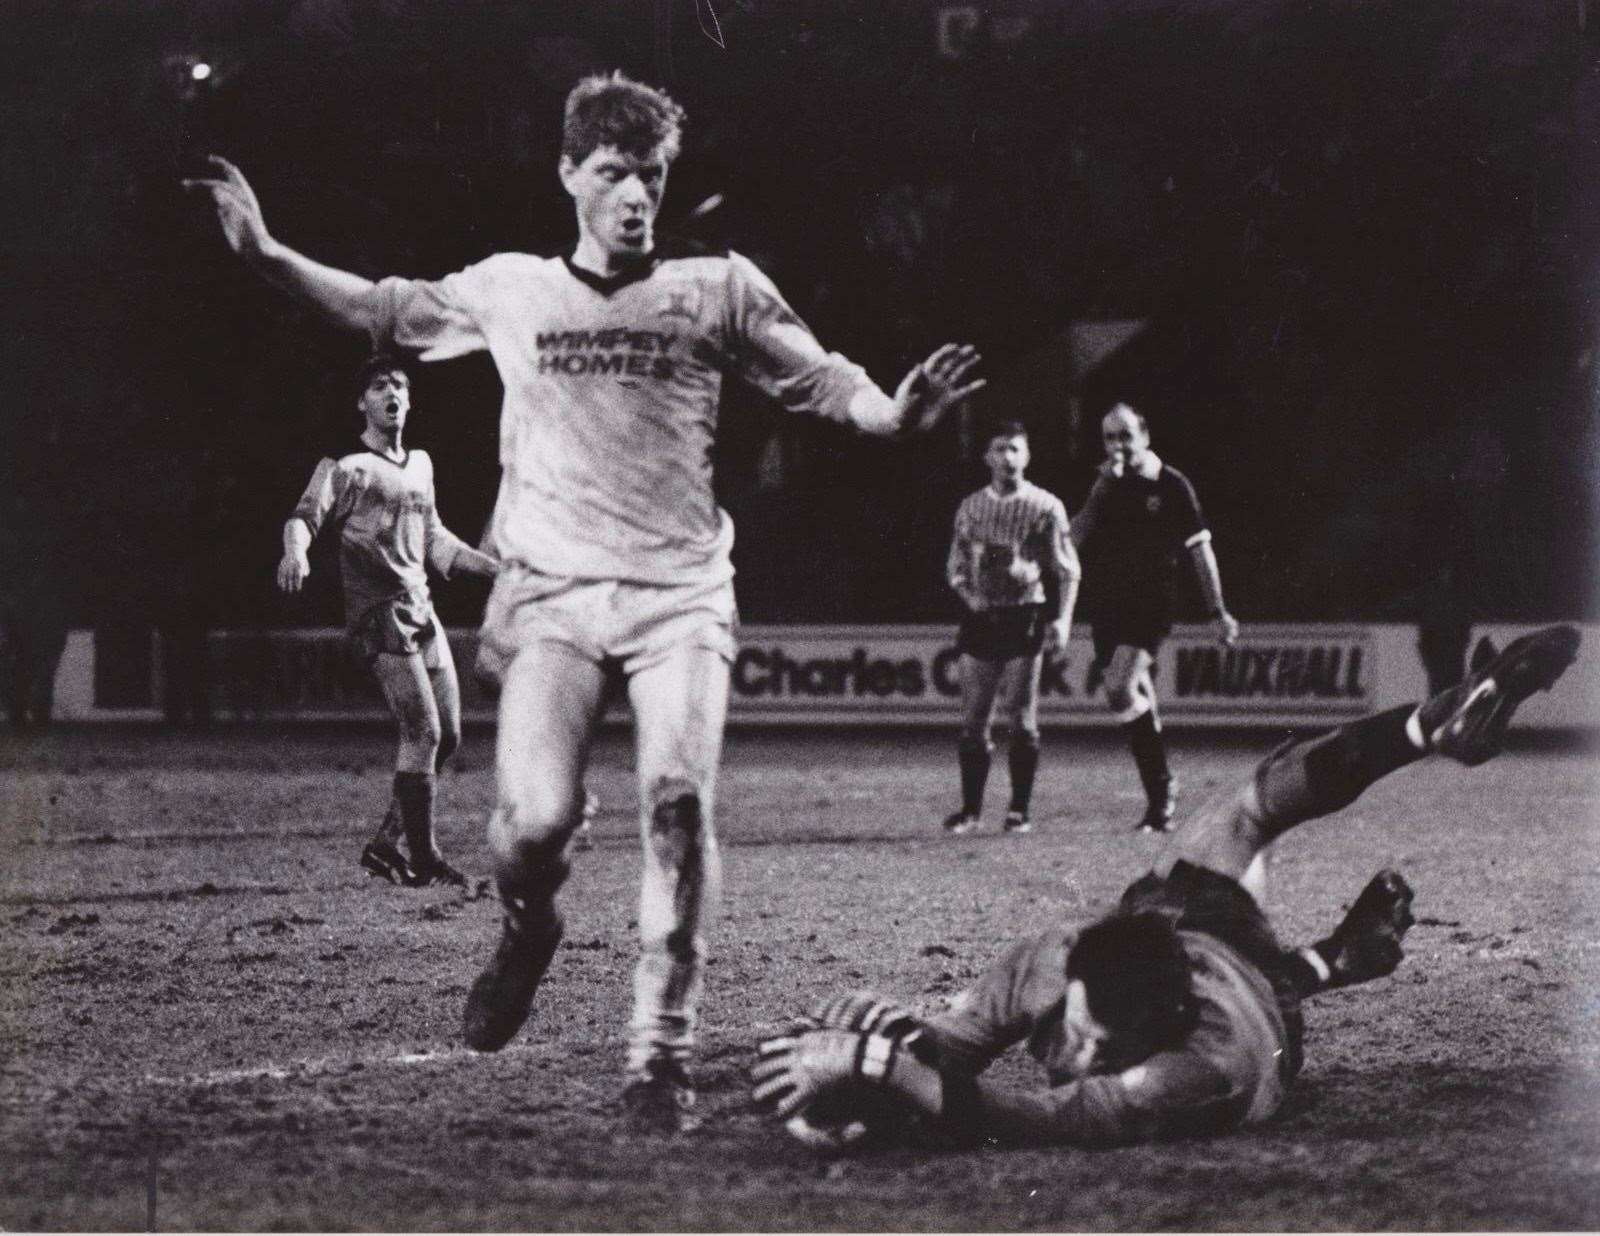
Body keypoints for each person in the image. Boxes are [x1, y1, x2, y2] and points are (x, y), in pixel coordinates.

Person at [185, 72, 984, 1131]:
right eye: (612, 173)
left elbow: (821, 378)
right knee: (529, 828)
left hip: (682, 594)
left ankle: (660, 1056)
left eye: (650, 174)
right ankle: (528, 923)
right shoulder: (514, 288)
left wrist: (893, 413)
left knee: (677, 804)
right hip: (553, 595)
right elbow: (381, 306)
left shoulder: (720, 287)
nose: (634, 195)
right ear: (569, 174)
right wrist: (264, 254)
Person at [753, 624, 1581, 1151]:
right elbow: (957, 1051)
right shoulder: (1054, 962)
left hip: (1253, 997)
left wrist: (877, 1067)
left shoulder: (1197, 1071)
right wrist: (905, 1044)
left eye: (1093, 1047)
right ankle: (1424, 727)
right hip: (1169, 924)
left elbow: (1020, 1121)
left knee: (1265, 983)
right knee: (1248, 805)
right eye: (1077, 1025)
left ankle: (1330, 962)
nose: (1070, 1054)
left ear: (1157, 1038)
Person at [278, 354, 500, 888]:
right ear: (363, 402)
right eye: (379, 386)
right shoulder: (347, 466)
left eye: (399, 385)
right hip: (378, 614)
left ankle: (386, 844)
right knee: (421, 729)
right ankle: (423, 858)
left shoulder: (420, 464)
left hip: (421, 607)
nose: (391, 394)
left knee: (446, 739)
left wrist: (498, 570)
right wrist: (296, 552)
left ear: (410, 399)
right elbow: (303, 518)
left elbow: (435, 541)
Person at [1070, 402, 1240, 833]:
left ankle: (1162, 789)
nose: (1118, 446)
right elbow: (1076, 537)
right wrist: (1098, 491)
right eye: (1109, 437)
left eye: (1125, 435)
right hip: (1108, 602)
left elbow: (1200, 550)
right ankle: (1160, 797)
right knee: (1128, 698)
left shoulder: (1171, 485)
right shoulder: (1105, 484)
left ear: (1145, 435)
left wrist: (1216, 610)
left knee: (1118, 687)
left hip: (1152, 602)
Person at [941, 421, 1080, 835]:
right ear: (987, 457)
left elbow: (1069, 569)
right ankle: (970, 811)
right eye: (1000, 449)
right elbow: (955, 568)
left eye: (1015, 449)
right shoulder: (970, 508)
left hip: (1025, 615)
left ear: (1028, 456)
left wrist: (1064, 618)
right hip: (982, 618)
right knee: (974, 719)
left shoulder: (1045, 506)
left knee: (1021, 716)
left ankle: (1019, 811)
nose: (1008, 458)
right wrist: (971, 598)